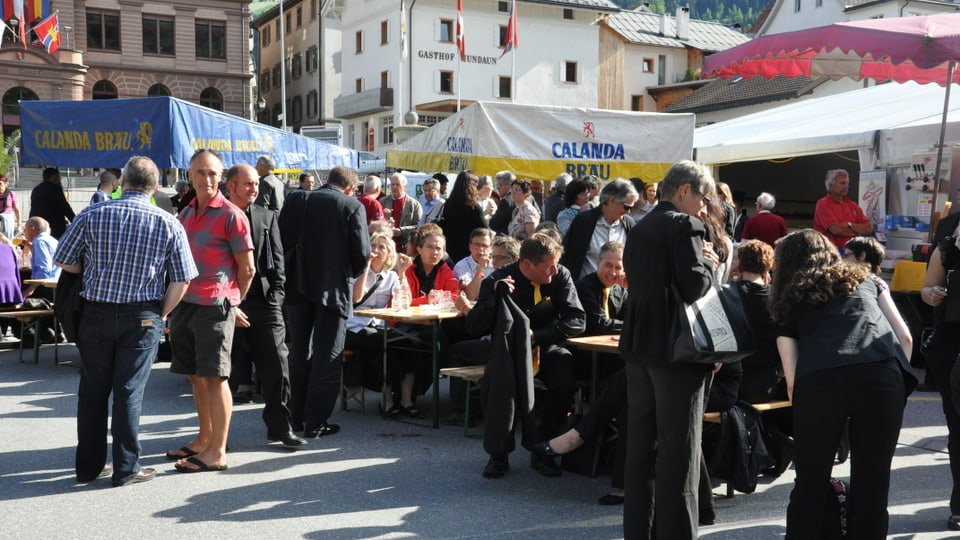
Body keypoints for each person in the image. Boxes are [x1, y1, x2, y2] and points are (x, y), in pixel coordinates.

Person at [55, 155, 197, 486]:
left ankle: (89, 467)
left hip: (96, 312)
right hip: (143, 314)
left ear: (122, 182)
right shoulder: (168, 222)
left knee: (92, 391)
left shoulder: (93, 213)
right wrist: (161, 313)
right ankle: (125, 468)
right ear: (156, 187)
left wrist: (92, 270)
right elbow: (182, 280)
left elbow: (64, 260)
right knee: (128, 392)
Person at [771, 229, 915, 539]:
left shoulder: (791, 296)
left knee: (810, 482)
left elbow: (792, 378)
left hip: (821, 380)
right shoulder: (866, 280)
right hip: (880, 375)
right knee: (873, 484)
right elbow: (905, 338)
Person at [619, 160, 719, 539]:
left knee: (641, 447)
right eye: (702, 197)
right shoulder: (685, 225)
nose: (704, 206)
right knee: (679, 452)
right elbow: (695, 285)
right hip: (677, 350)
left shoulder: (640, 226)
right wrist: (711, 264)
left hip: (639, 343)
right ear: (684, 191)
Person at [458, 233, 586, 478]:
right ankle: (498, 454)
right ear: (527, 264)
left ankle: (543, 448)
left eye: (555, 264)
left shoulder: (561, 275)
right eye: (548, 266)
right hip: (508, 350)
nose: (554, 271)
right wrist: (496, 297)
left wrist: (538, 335)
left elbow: (577, 319)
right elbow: (474, 326)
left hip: (545, 344)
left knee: (564, 381)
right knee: (498, 385)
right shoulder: (498, 279)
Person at [167, 149, 256, 473]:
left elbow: (248, 269)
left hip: (214, 305)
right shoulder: (187, 212)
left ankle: (217, 451)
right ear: (189, 175)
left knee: (215, 377)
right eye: (201, 172)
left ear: (221, 178)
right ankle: (204, 439)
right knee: (194, 375)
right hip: (186, 304)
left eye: (213, 173)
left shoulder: (232, 214)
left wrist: (234, 302)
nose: (207, 179)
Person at [280, 165, 369, 438]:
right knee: (327, 355)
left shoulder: (295, 199)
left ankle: (294, 417)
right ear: (351, 187)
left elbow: (280, 238)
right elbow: (362, 254)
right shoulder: (351, 205)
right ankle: (315, 421)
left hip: (296, 285)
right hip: (332, 288)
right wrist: (346, 273)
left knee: (297, 354)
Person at [224, 164, 306, 449]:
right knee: (225, 372)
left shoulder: (267, 215)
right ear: (231, 185)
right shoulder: (218, 215)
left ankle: (280, 427)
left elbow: (278, 261)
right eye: (247, 184)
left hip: (264, 301)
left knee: (277, 365)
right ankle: (218, 438)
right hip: (227, 302)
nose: (254, 189)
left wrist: (277, 295)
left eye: (256, 183)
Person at [384, 228, 459, 419]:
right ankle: (394, 399)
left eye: (439, 248)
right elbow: (400, 299)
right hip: (402, 322)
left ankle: (409, 397)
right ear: (419, 249)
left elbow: (454, 294)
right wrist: (425, 300)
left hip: (429, 324)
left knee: (440, 346)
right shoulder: (407, 269)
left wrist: (440, 297)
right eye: (430, 247)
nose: (435, 252)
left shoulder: (444, 269)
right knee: (400, 343)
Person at [921, 230, 960, 531]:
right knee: (957, 427)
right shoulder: (947, 249)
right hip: (951, 344)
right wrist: (932, 293)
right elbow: (926, 289)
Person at [344, 232, 412, 394]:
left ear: (389, 254)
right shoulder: (357, 272)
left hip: (379, 326)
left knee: (406, 344)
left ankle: (401, 398)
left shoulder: (392, 276)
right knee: (384, 342)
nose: (376, 249)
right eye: (373, 246)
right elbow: (355, 298)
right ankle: (390, 397)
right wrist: (366, 266)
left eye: (381, 247)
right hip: (353, 327)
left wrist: (403, 273)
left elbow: (406, 301)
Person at [561, 178, 638, 282]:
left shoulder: (629, 224)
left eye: (631, 208)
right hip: (586, 292)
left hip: (618, 294)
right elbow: (569, 260)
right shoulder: (584, 222)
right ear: (611, 200)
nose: (628, 212)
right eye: (626, 207)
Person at [813, 169, 873, 250]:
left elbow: (868, 228)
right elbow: (836, 230)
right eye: (842, 183)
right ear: (830, 185)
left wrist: (849, 225)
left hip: (853, 252)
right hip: (830, 253)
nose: (846, 186)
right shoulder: (823, 204)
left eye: (847, 183)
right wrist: (858, 232)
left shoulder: (852, 205)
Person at [437, 170, 486, 264]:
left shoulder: (448, 204)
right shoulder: (474, 208)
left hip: (450, 249)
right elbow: (484, 230)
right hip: (468, 251)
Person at [380, 172, 423, 252]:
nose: (394, 187)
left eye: (397, 184)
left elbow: (419, 226)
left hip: (405, 247)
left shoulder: (414, 204)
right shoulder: (383, 202)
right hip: (386, 246)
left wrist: (401, 231)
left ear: (405, 187)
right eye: (392, 184)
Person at [29, 167, 74, 239]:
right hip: (55, 227)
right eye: (58, 177)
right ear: (53, 177)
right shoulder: (56, 189)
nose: (59, 179)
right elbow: (65, 207)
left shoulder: (36, 189)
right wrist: (74, 220)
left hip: (38, 226)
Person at [22, 217, 60, 300]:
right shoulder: (52, 240)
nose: (24, 233)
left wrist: (30, 290)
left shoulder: (39, 242)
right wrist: (32, 249)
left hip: (46, 287)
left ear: (32, 229)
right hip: (57, 285)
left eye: (25, 230)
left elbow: (44, 269)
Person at [453, 227, 495, 301]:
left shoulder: (496, 264)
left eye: (484, 246)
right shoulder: (461, 266)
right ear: (470, 246)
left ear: (491, 248)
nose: (480, 249)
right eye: (476, 245)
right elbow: (470, 296)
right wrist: (481, 269)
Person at [489, 170, 517, 235]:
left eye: (500, 185)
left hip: (505, 240)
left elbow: (493, 224)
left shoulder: (506, 201)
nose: (497, 188)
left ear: (510, 186)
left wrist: (493, 215)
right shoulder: (526, 197)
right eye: (497, 185)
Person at [0, 175, 20, 240]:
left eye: (0, 184)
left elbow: (17, 210)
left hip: (8, 222)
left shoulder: (11, 194)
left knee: (8, 241)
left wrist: (18, 224)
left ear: (6, 184)